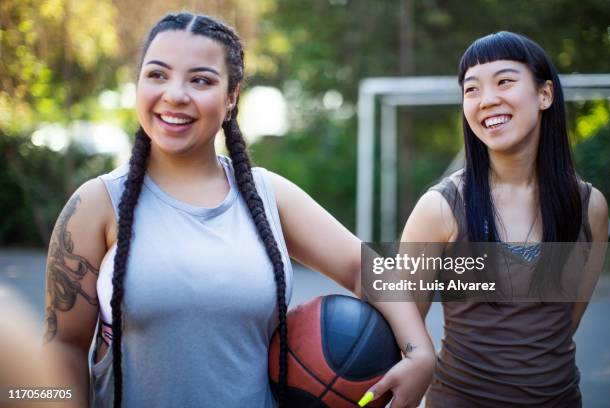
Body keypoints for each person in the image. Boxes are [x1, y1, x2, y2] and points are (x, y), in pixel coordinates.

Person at [42, 12, 434, 408]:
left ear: (231, 97)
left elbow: (363, 267)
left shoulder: (268, 196)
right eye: (157, 75)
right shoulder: (96, 204)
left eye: (200, 80)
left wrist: (420, 353)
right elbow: (63, 346)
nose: (175, 94)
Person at [400, 31, 608, 407]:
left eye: (505, 81)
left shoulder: (589, 206)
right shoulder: (440, 208)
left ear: (545, 94)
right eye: (472, 89)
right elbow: (401, 330)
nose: (487, 100)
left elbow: (566, 323)